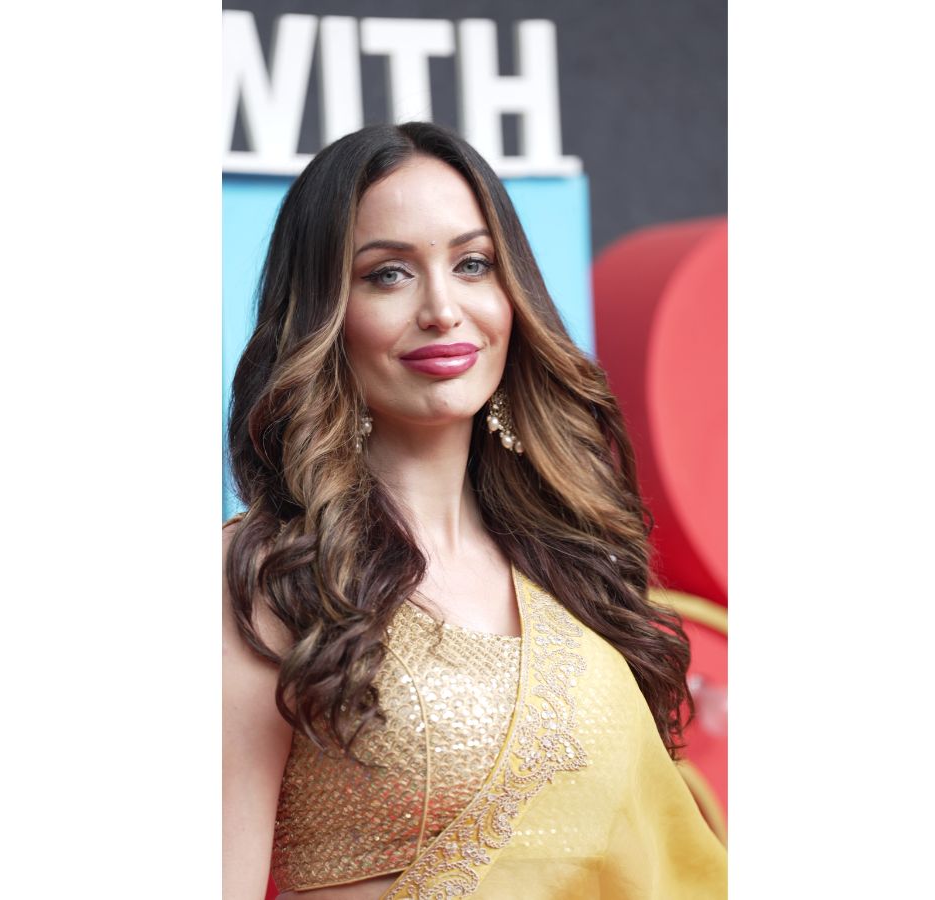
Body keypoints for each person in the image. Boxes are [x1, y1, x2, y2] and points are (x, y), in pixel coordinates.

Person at [223, 121, 727, 900]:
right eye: (388, 274)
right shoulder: (268, 578)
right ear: (323, 315)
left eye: (472, 264)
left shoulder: (573, 569)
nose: (442, 309)